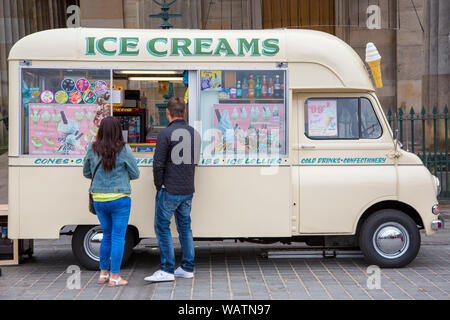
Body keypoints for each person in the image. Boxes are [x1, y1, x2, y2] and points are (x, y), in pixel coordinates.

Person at [145, 97, 200, 282]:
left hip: (169, 188)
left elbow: (158, 164)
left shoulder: (165, 134)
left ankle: (167, 269)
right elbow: (195, 162)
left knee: (162, 227)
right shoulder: (195, 133)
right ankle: (187, 267)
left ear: (167, 113)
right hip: (187, 188)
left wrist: (159, 185)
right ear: (184, 112)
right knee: (185, 228)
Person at [83, 116, 140, 287]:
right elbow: (135, 173)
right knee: (117, 237)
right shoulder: (124, 149)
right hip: (119, 199)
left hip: (99, 199)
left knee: (106, 235)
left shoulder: (92, 149)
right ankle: (114, 276)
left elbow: (86, 173)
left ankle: (103, 273)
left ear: (100, 130)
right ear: (118, 131)